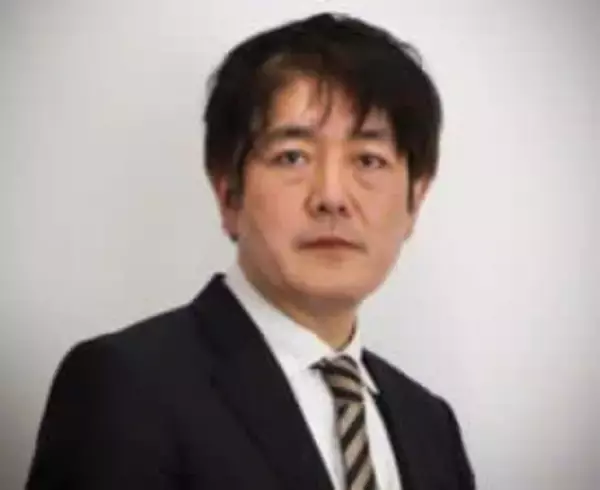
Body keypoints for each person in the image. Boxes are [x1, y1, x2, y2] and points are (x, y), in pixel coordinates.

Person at [26, 12, 476, 490]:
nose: (331, 196)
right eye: (292, 157)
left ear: (415, 200)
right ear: (228, 194)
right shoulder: (123, 385)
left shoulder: (431, 425)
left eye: (369, 159)